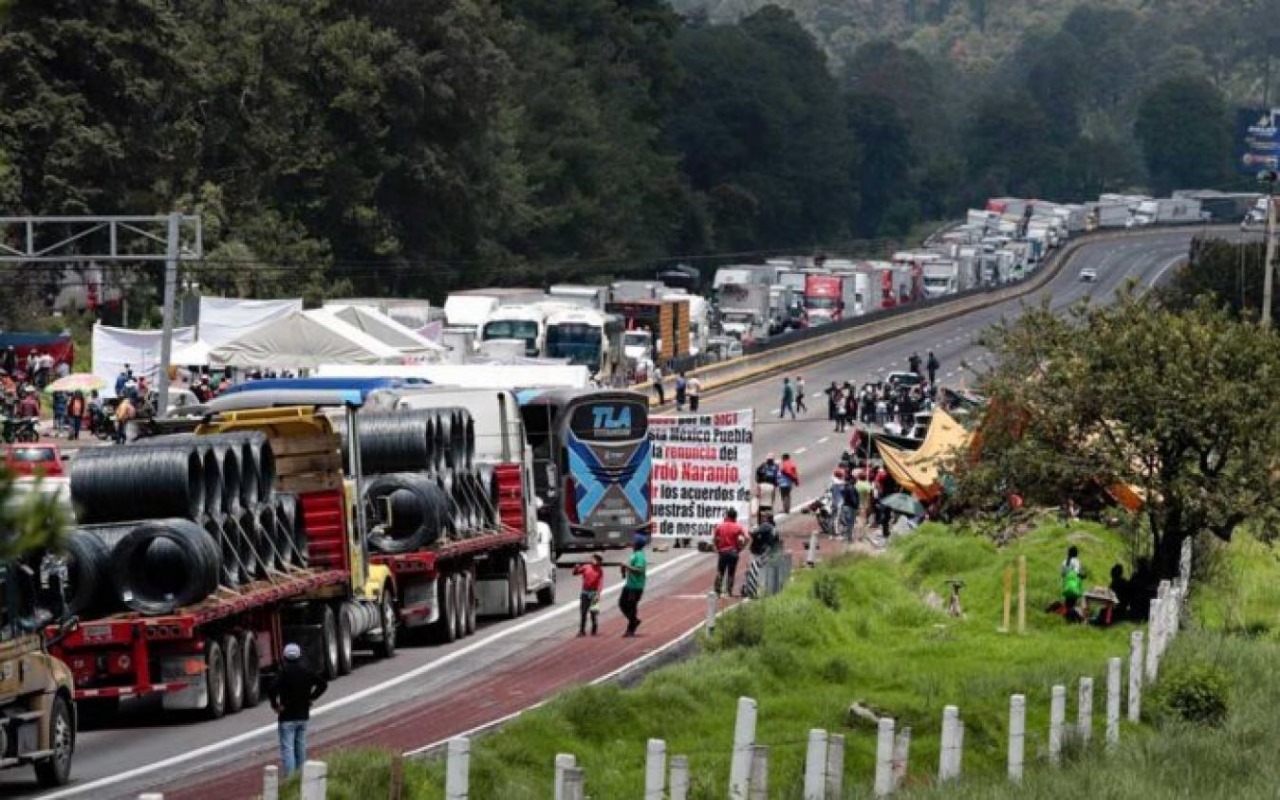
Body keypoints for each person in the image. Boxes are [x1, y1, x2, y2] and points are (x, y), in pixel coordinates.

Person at [268, 643, 328, 778]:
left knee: (287, 748)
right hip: (303, 715)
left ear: (284, 657)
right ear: (299, 657)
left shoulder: (283, 673)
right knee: (301, 747)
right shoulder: (306, 671)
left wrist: (275, 705)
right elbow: (323, 684)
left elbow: (271, 688)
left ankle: (290, 778)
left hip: (287, 716)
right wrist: (311, 698)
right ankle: (302, 776)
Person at [741, 512, 778, 599]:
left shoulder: (765, 526)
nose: (761, 518)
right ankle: (755, 588)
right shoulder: (774, 528)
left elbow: (753, 533)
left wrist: (750, 530)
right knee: (762, 571)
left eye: (763, 517)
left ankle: (749, 589)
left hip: (759, 553)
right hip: (769, 552)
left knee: (753, 570)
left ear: (767, 518)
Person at [712, 508, 748, 597]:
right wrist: (741, 548)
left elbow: (714, 539)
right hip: (733, 552)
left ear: (727, 516)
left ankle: (717, 591)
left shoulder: (720, 526)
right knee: (731, 573)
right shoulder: (738, 526)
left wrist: (716, 548)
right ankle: (729, 591)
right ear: (735, 517)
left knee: (720, 572)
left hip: (723, 552)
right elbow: (747, 538)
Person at [619, 535, 647, 636]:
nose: (631, 542)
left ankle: (631, 629)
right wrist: (623, 570)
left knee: (631, 606)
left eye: (633, 541)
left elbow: (639, 570)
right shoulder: (634, 554)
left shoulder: (639, 556)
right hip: (629, 584)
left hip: (636, 586)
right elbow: (631, 567)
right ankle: (634, 621)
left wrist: (626, 566)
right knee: (622, 604)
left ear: (637, 544)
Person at [573, 554, 604, 636]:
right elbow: (575, 573)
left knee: (593, 613)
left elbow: (600, 583)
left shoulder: (599, 570)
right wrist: (576, 567)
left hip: (594, 593)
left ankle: (594, 628)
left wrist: (598, 593)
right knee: (583, 612)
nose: (594, 561)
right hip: (585, 593)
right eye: (593, 559)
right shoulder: (586, 567)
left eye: (596, 560)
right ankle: (582, 630)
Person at [1061, 546, 1086, 623]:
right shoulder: (1076, 561)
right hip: (1074, 586)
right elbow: (1076, 573)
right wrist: (1083, 576)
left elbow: (1062, 574)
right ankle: (1075, 619)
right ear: (1076, 554)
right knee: (1072, 604)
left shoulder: (1064, 562)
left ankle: (1067, 618)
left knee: (1068, 602)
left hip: (1065, 585)